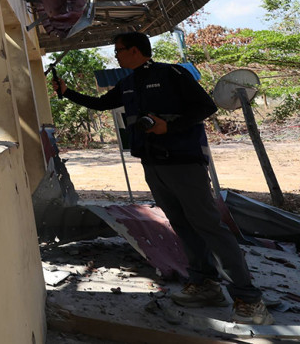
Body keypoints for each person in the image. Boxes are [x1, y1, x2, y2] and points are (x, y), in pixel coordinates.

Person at [52, 31, 272, 325]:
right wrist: (67, 92)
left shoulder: (171, 74)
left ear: (135, 50)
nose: (116, 55)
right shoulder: (129, 82)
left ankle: (249, 300)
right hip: (153, 164)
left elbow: (205, 107)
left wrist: (170, 126)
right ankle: (205, 284)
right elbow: (103, 104)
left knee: (208, 225)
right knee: (182, 224)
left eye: (119, 50)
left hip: (184, 163)